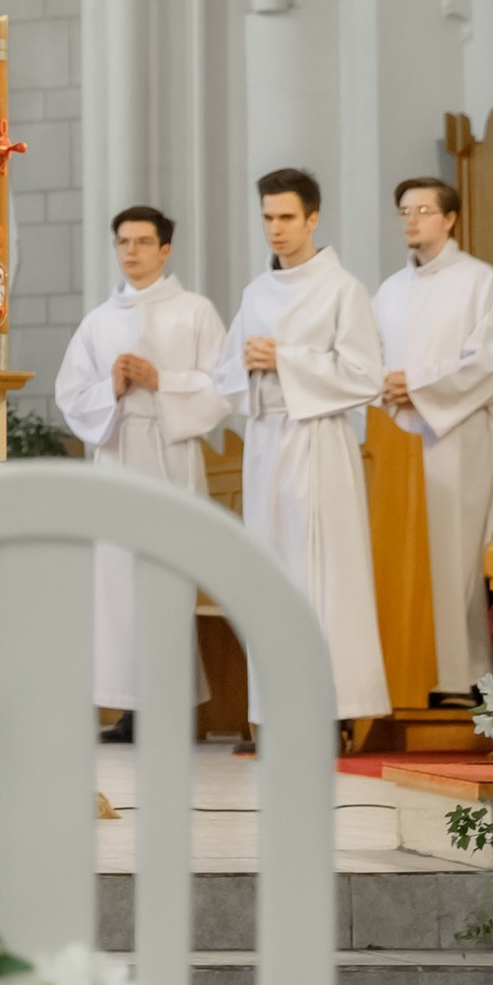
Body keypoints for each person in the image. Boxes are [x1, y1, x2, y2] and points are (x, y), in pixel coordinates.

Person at [211, 166, 387, 725]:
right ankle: (275, 710)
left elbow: (365, 376)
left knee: (325, 573)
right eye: (267, 218)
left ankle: (333, 711)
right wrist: (246, 365)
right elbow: (224, 377)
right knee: (272, 572)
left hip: (319, 441)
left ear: (312, 218)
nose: (276, 229)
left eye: (287, 217)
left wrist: (284, 358)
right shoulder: (256, 292)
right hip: (267, 443)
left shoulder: (343, 289)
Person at [54, 204, 230, 740]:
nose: (131, 252)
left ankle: (170, 710)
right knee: (116, 586)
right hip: (117, 456)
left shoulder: (196, 312)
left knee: (167, 581)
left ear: (165, 249)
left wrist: (163, 380)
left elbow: (223, 388)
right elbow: (70, 393)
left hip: (170, 457)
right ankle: (130, 711)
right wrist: (112, 389)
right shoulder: (99, 321)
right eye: (123, 242)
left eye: (142, 242)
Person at [374, 176, 493, 699]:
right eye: (404, 211)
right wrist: (387, 389)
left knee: (456, 553)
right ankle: (409, 668)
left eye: (424, 210)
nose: (411, 219)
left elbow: (492, 360)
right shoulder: (388, 291)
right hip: (398, 444)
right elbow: (367, 360)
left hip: (456, 434)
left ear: (450, 219)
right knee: (405, 554)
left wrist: (423, 388)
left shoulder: (482, 282)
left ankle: (464, 676)